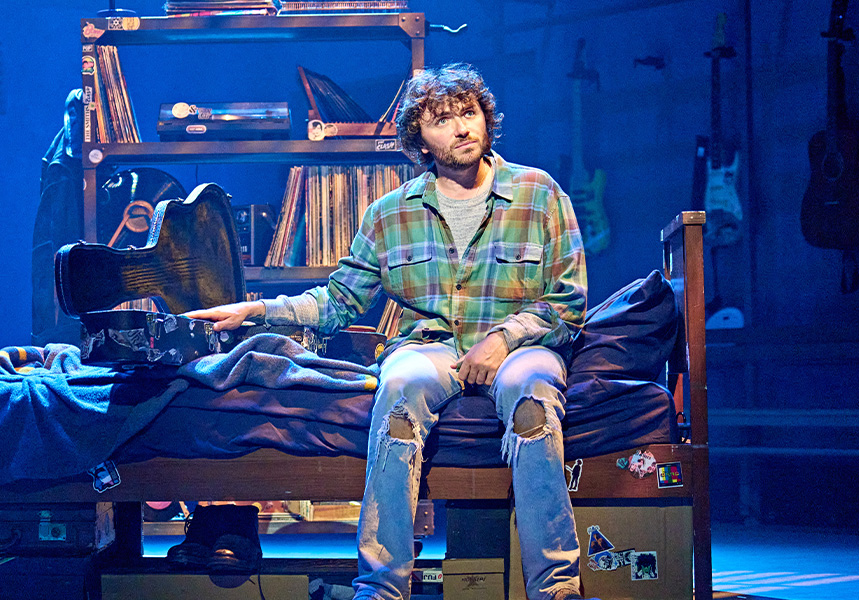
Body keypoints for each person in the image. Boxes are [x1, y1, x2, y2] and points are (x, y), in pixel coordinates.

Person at [186, 63, 593, 600]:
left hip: (520, 346)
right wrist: (255, 312)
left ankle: (556, 589)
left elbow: (569, 299)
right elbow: (336, 302)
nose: (462, 128)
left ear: (487, 121)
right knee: (398, 393)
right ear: (419, 137)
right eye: (443, 120)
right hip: (431, 349)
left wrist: (505, 337)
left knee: (532, 398)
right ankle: (381, 588)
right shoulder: (390, 214)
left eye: (469, 114)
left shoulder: (539, 193)